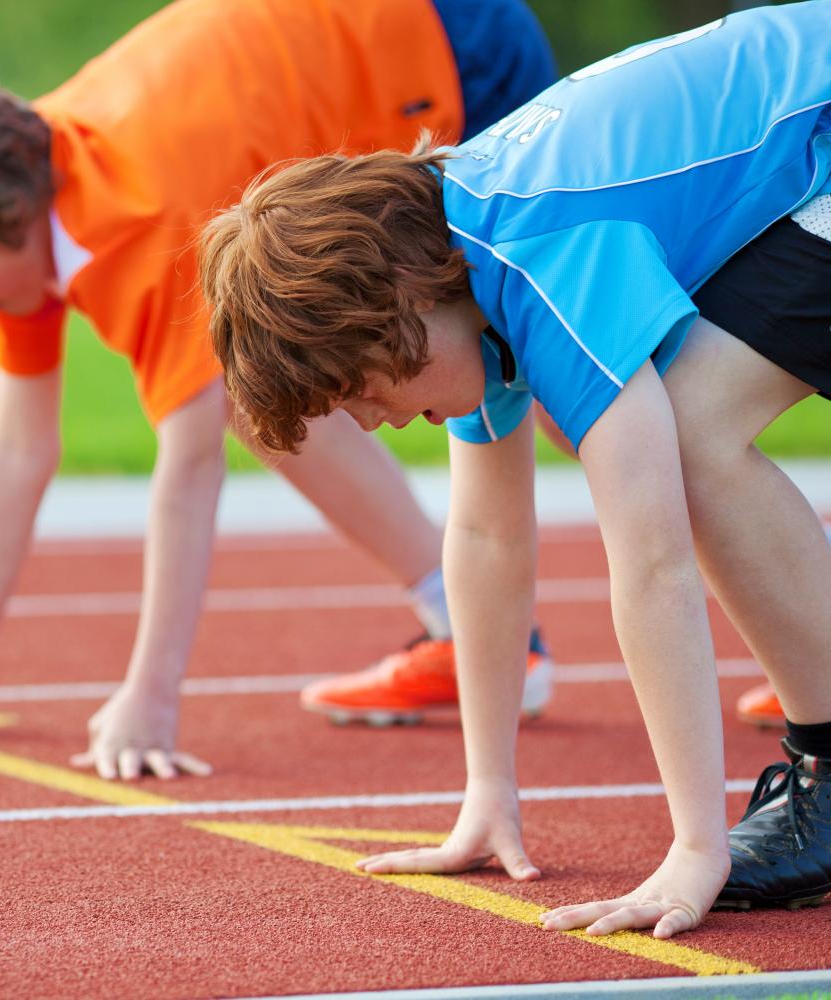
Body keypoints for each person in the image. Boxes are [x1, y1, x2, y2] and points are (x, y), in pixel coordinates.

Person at [198, 2, 831, 934]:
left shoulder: (535, 253)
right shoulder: (460, 273)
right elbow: (487, 536)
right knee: (691, 432)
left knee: (688, 442)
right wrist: (488, 787)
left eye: (364, 389)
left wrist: (698, 846)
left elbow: (651, 563)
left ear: (406, 309)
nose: (375, 424)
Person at [0, 0, 558, 778]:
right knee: (263, 386)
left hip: (447, 43)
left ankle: (533, 623)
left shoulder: (138, 207)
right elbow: (17, 447)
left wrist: (150, 694)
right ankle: (476, 630)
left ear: (3, 215)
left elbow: (187, 469)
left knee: (557, 366)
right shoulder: (37, 197)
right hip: (386, 41)